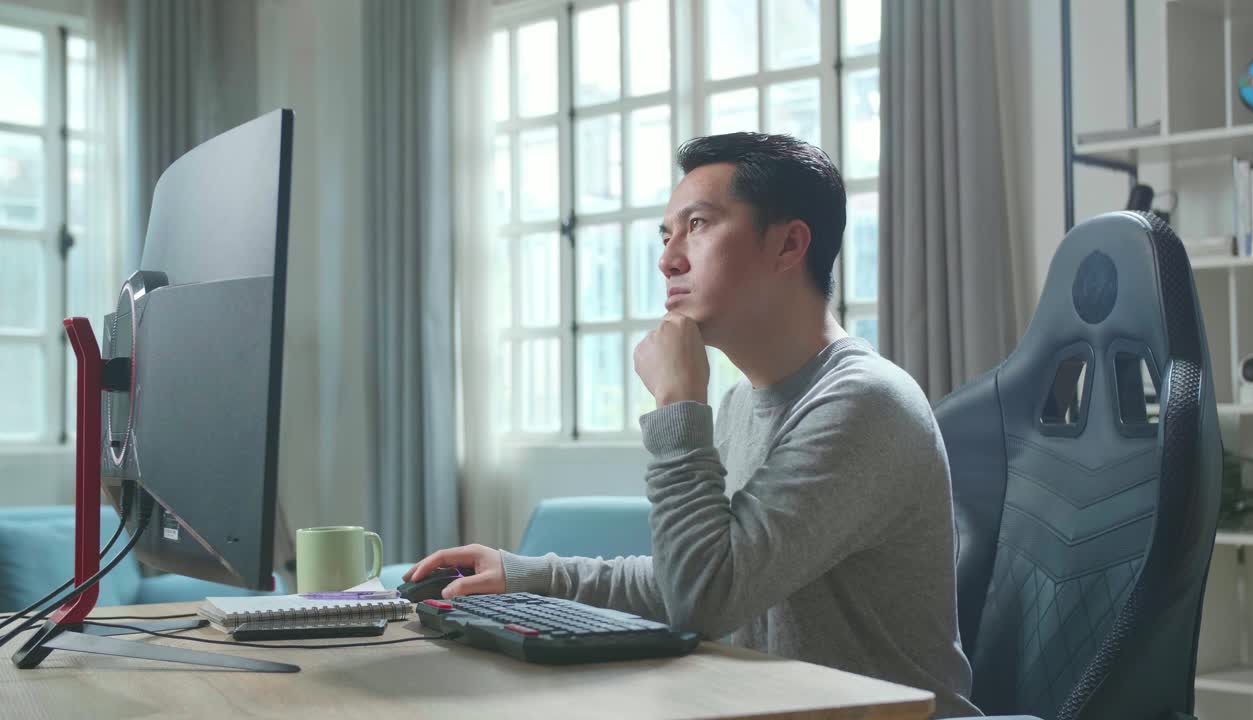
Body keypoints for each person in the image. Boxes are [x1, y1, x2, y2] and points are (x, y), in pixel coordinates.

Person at [407, 133, 979, 717]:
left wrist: (679, 399)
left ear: (788, 245)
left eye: (698, 225)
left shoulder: (864, 402)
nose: (668, 258)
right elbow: (691, 577)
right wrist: (519, 574)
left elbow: (701, 601)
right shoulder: (738, 404)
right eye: (666, 234)